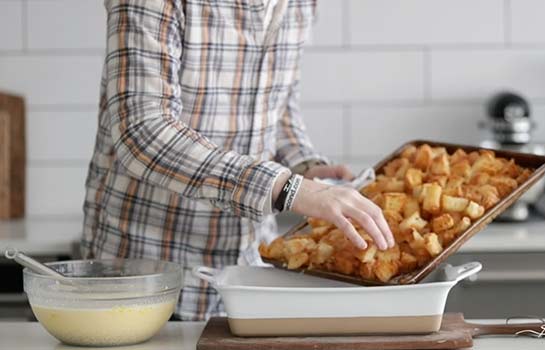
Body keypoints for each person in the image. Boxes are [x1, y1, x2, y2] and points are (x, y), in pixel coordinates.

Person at [82, 0, 394, 320]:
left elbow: (277, 106)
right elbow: (143, 132)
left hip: (249, 279)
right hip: (145, 282)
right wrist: (287, 188)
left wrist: (304, 166)